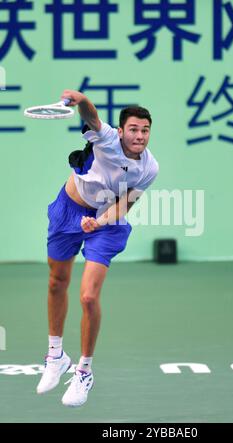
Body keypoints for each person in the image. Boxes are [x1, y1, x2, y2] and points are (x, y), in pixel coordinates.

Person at [36, 90, 159, 407]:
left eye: (145, 130)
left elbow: (125, 204)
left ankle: (84, 371)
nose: (139, 135)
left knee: (89, 295)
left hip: (106, 223)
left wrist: (100, 222)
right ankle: (55, 356)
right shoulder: (105, 139)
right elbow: (90, 115)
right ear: (120, 131)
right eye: (133, 129)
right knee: (56, 282)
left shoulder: (150, 168)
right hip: (68, 210)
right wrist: (81, 99)